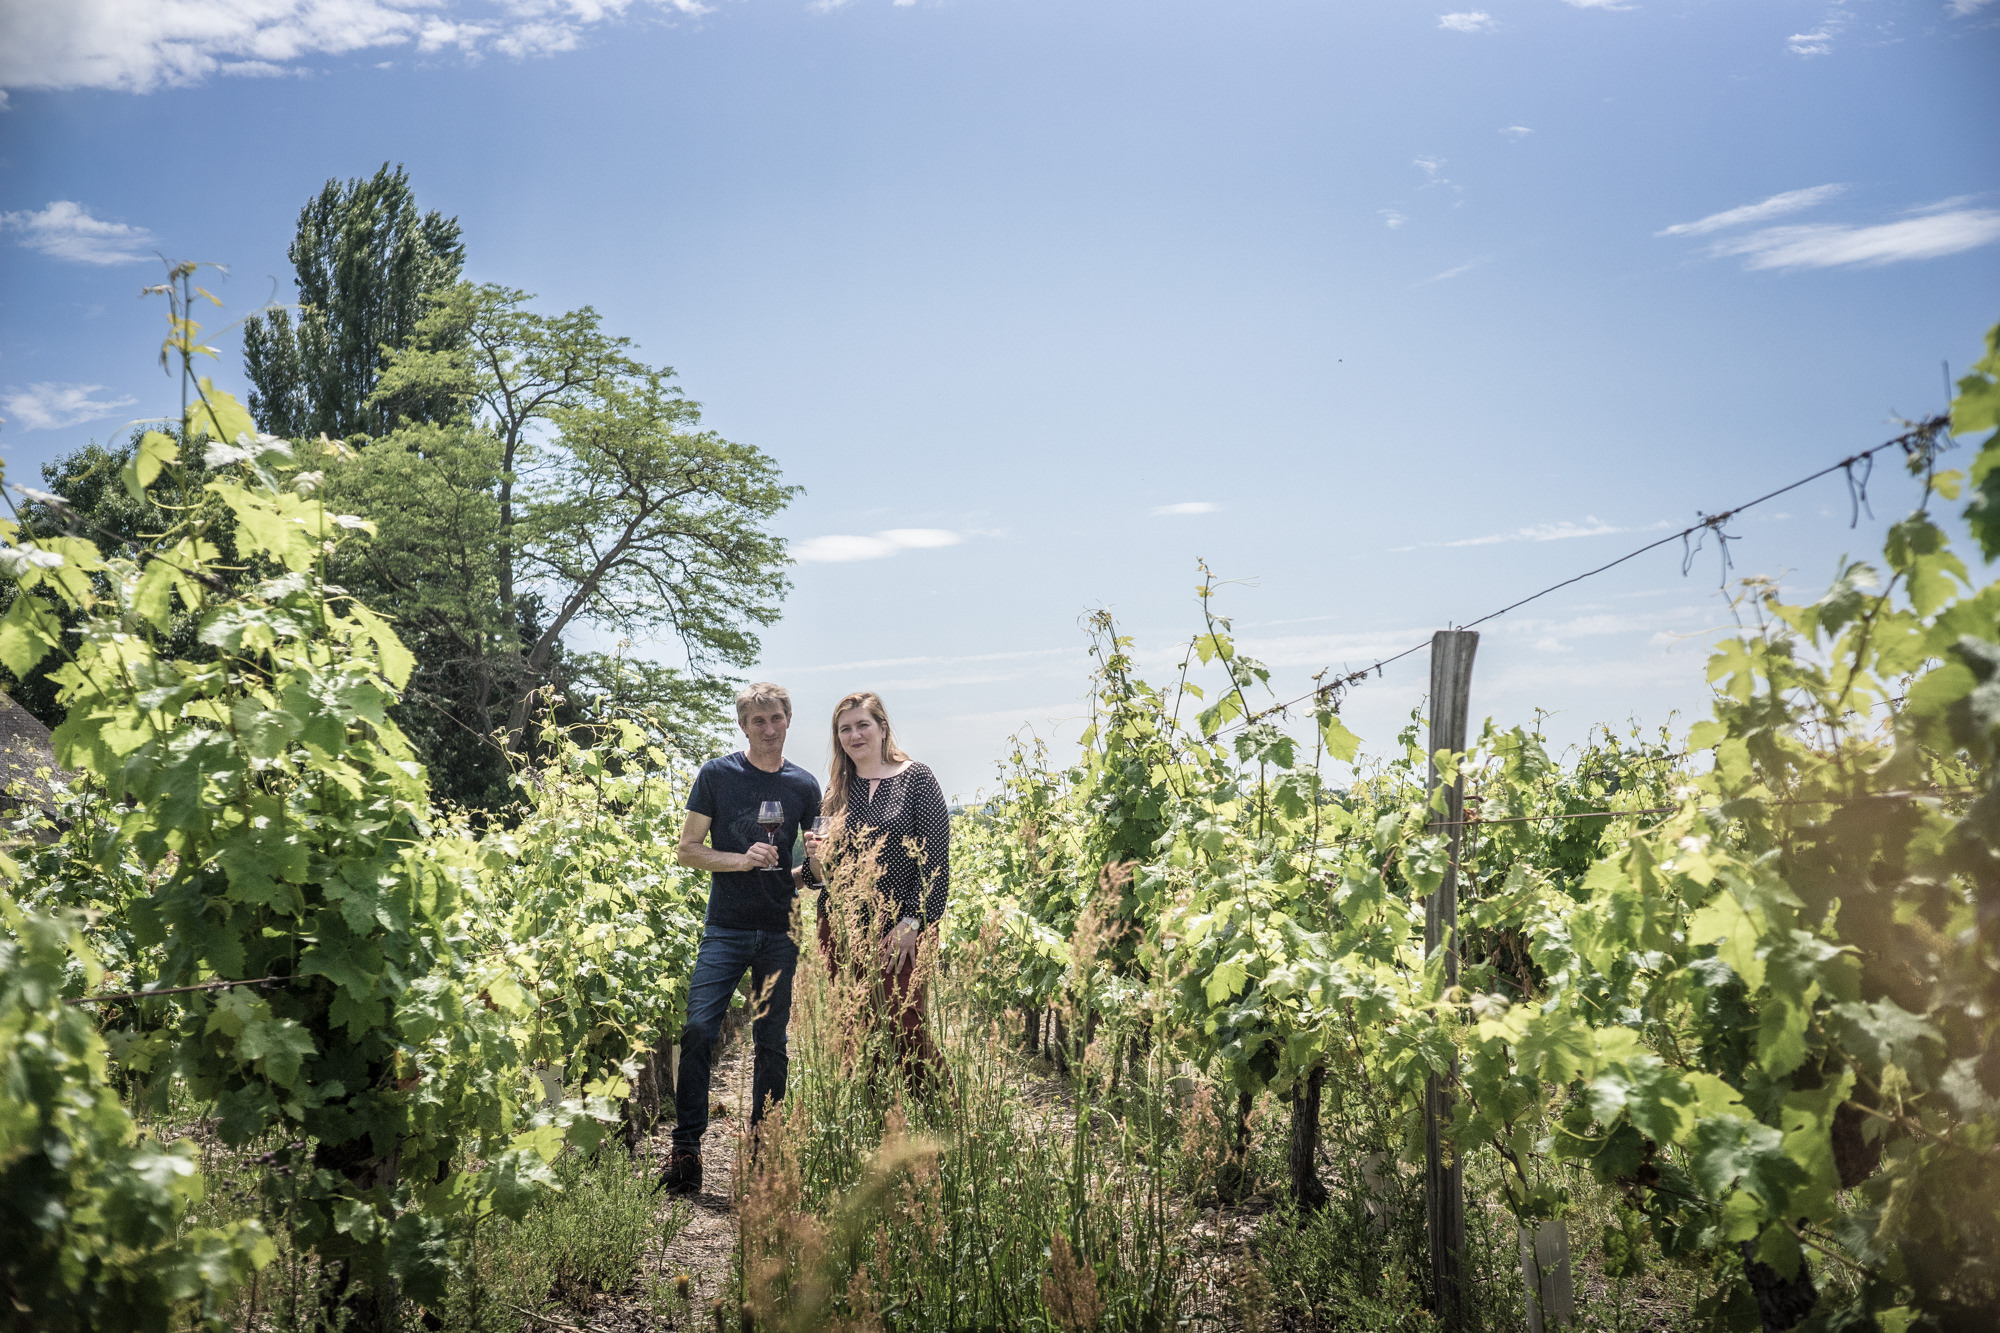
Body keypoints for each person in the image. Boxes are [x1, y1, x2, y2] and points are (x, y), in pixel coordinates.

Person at [658, 683, 820, 1197]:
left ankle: (762, 1149)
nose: (768, 729)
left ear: (789, 719)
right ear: (744, 726)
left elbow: (810, 872)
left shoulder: (804, 785)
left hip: (779, 930)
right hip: (724, 928)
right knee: (700, 1029)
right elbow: (688, 850)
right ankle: (687, 1150)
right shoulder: (717, 775)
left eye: (775, 719)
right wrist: (740, 860)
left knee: (771, 1044)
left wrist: (816, 861)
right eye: (758, 722)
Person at [803, 691, 950, 1088]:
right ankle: (878, 1128)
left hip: (901, 927)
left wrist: (912, 922)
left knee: (907, 1028)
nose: (854, 735)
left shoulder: (917, 778)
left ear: (883, 728)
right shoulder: (836, 791)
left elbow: (935, 862)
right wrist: (816, 856)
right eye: (845, 729)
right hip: (840, 925)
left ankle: (945, 1123)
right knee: (853, 1031)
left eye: (862, 725)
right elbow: (820, 877)